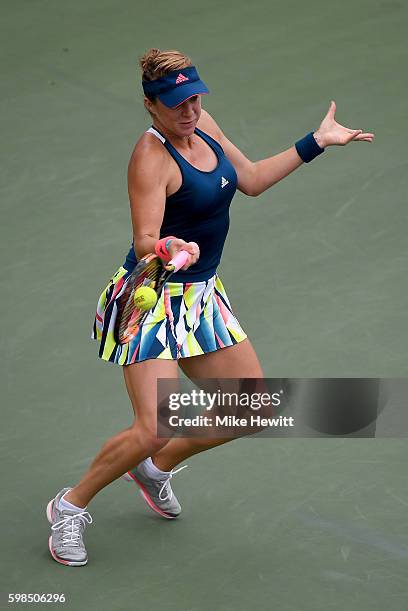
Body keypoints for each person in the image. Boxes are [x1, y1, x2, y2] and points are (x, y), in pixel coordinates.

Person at [46, 48, 374, 566]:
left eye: (195, 99)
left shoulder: (204, 126)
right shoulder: (150, 157)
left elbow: (253, 181)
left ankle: (154, 470)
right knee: (153, 424)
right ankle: (69, 506)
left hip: (200, 298)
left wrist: (317, 143)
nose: (189, 112)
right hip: (151, 296)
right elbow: (146, 236)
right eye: (176, 104)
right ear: (151, 106)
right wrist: (170, 248)